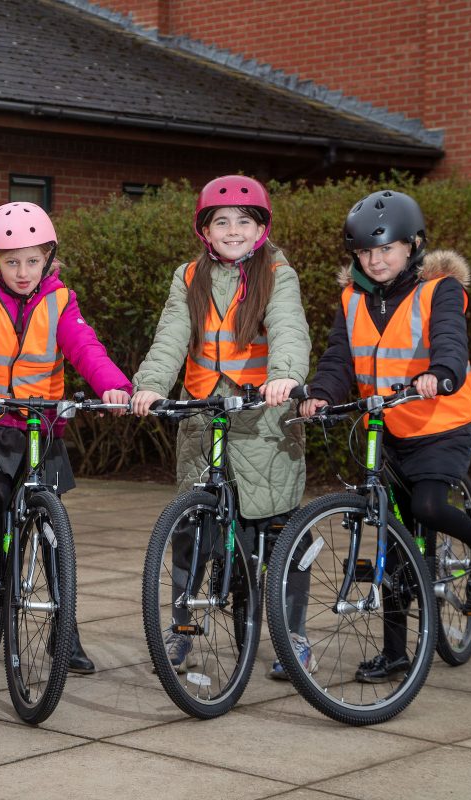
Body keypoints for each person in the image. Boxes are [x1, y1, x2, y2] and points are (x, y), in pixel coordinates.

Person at [299, 189, 471, 682]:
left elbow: (451, 339)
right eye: (366, 252)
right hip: (385, 429)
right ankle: (394, 653)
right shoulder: (351, 298)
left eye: (386, 249)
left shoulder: (440, 290)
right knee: (392, 536)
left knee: (428, 509)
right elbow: (338, 360)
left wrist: (442, 371)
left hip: (441, 424)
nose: (376, 259)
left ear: (412, 246)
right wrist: (321, 395)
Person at [129, 175, 312, 680]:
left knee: (276, 533)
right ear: (205, 230)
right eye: (222, 221)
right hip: (203, 414)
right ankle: (183, 627)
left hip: (264, 420)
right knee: (192, 528)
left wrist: (286, 377)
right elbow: (171, 335)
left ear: (261, 229)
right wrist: (150, 385)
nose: (233, 230)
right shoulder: (189, 276)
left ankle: (292, 634)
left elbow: (289, 327)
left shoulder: (278, 273)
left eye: (244, 221)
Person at [0, 202, 132, 674]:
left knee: (51, 527)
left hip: (40, 424)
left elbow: (84, 346)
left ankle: (65, 637)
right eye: (11, 261)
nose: (23, 271)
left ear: (48, 257)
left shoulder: (61, 300)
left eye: (32, 260)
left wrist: (113, 385)